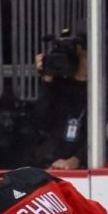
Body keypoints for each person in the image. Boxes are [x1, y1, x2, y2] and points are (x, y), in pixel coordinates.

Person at [32, 29, 87, 170]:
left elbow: (105, 134)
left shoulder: (102, 89)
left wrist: (78, 159)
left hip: (84, 163)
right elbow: (41, 121)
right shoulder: (57, 85)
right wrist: (47, 79)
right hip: (51, 162)